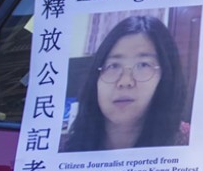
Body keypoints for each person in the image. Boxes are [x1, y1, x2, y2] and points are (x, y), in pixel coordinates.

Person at [61, 15, 189, 152]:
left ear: (166, 76)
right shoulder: (65, 147)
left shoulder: (188, 141)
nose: (125, 82)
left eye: (143, 65)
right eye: (113, 66)